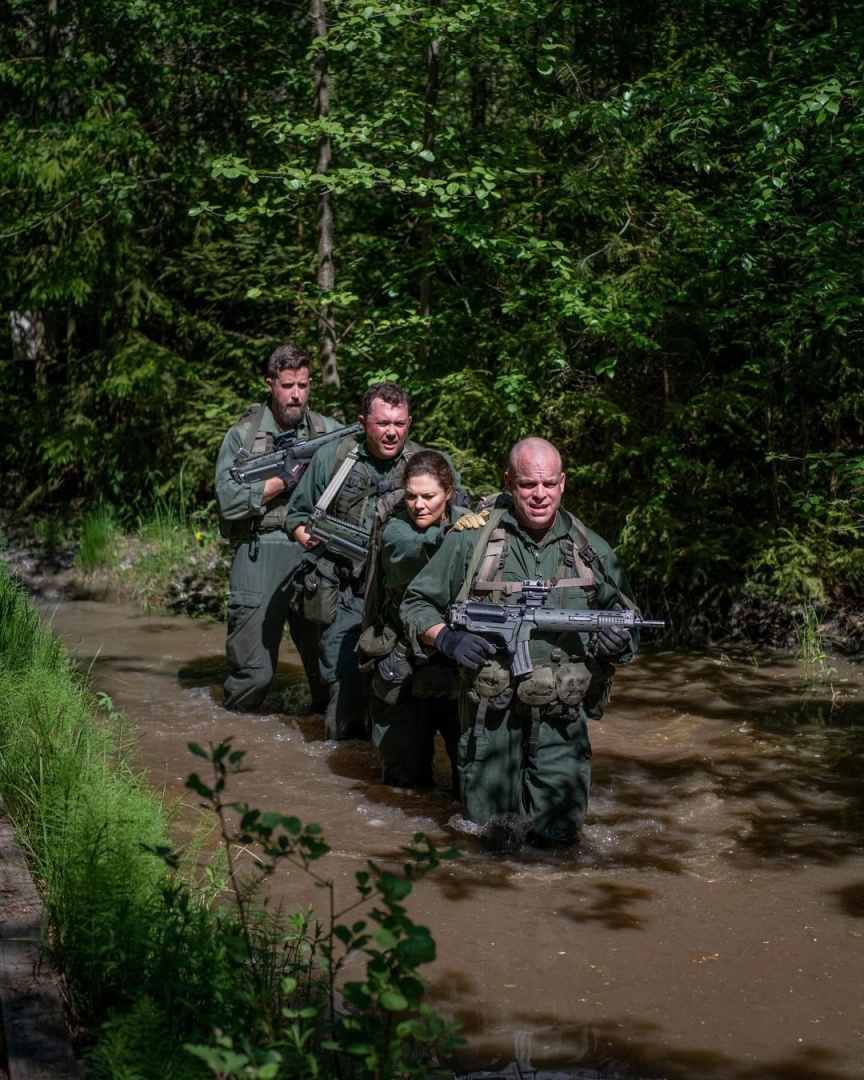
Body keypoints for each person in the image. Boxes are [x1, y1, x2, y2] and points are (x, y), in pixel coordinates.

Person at [400, 437, 641, 848]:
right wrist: (447, 640)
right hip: (489, 723)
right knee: (489, 843)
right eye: (529, 484)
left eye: (549, 483)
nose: (540, 495)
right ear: (509, 481)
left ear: (563, 483)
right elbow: (415, 603)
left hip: (561, 724)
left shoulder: (592, 551)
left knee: (560, 844)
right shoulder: (470, 543)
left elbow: (631, 624)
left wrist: (617, 643)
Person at [284, 382, 462, 741]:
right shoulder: (332, 459)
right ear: (363, 422)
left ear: (409, 422)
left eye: (399, 423)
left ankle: (389, 770)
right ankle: (343, 774)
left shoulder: (425, 464)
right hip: (347, 595)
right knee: (344, 696)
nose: (392, 432)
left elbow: (458, 516)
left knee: (402, 690)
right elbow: (296, 519)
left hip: (403, 601)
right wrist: (317, 540)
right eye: (382, 424)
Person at [215, 344, 342, 712]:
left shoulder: (327, 431)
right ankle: (232, 743)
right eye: (288, 385)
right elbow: (227, 499)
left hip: (313, 551)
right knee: (253, 676)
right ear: (270, 384)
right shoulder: (241, 437)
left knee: (328, 675)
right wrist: (280, 482)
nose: (296, 394)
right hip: (259, 549)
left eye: (303, 385)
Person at [360, 450, 485, 791]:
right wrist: (452, 538)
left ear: (448, 491)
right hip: (404, 661)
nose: (419, 505)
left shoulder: (469, 522)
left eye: (429, 496)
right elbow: (410, 552)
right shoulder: (394, 529)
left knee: (471, 781)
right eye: (411, 496)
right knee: (404, 785)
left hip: (458, 662)